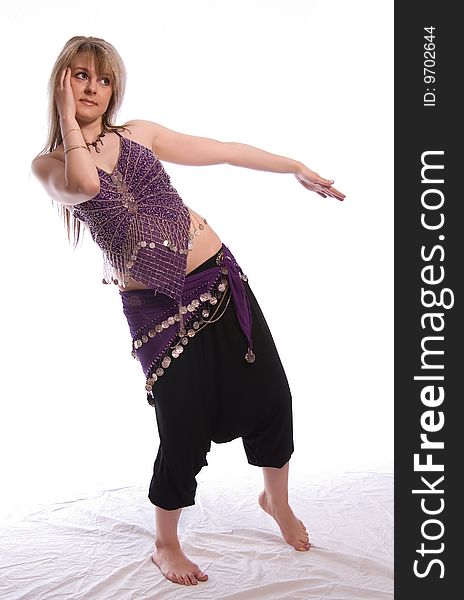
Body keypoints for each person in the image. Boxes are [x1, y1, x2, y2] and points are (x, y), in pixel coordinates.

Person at [31, 36, 346, 587]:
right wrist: (66, 120)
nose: (93, 88)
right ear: (61, 81)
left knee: (271, 396)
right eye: (80, 76)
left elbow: (221, 148)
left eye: (103, 80)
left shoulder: (139, 134)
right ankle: (166, 542)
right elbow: (83, 185)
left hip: (220, 278)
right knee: (183, 429)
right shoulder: (48, 164)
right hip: (156, 307)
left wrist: (294, 166)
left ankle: (277, 503)